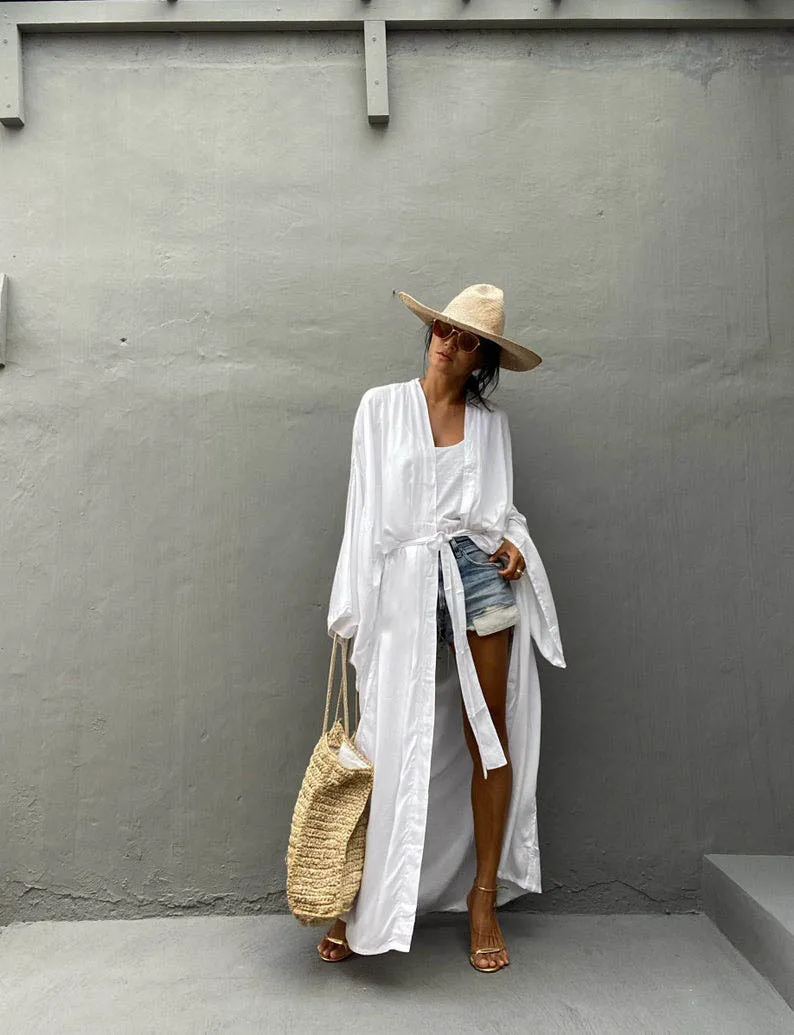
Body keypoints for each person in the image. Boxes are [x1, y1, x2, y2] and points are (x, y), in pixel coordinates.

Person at [317, 284, 566, 972]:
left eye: (466, 339)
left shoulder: (491, 425)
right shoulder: (380, 407)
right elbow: (363, 509)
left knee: (489, 733)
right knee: (384, 732)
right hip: (403, 579)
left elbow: (501, 512)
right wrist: (351, 606)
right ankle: (356, 897)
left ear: (482, 357)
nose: (448, 343)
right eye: (443, 329)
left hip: (478, 574)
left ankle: (483, 898)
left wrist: (514, 541)